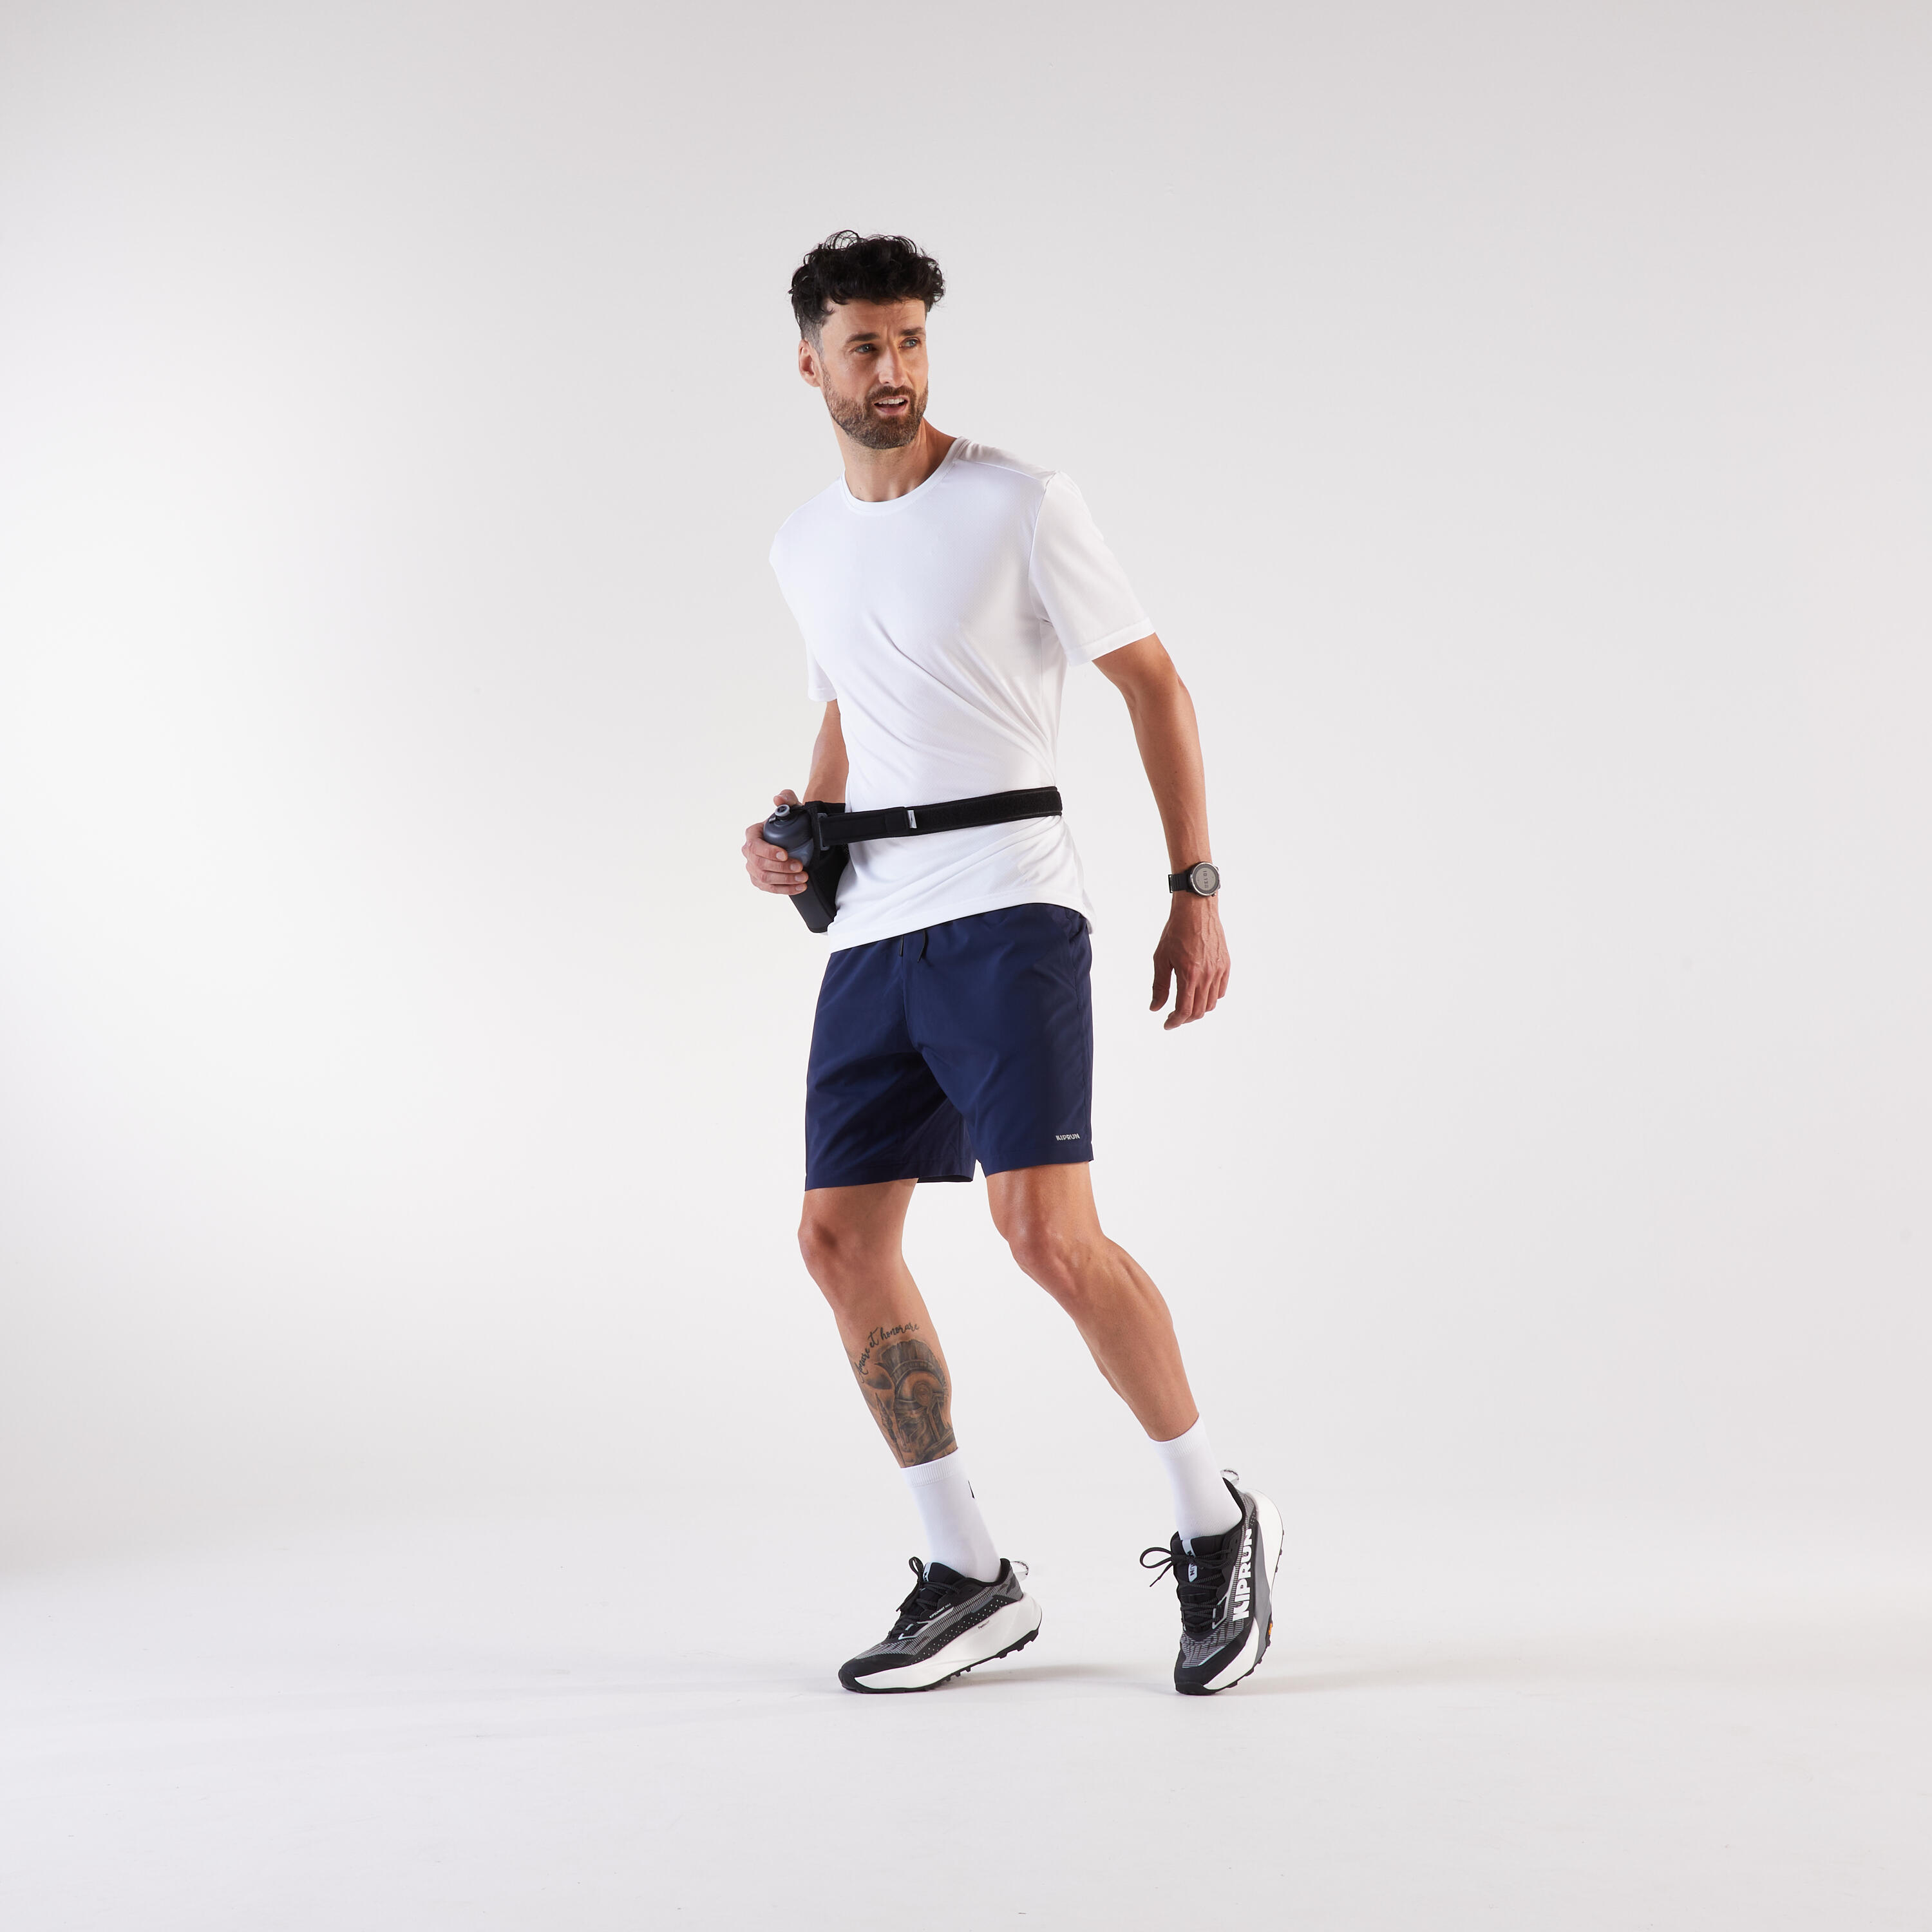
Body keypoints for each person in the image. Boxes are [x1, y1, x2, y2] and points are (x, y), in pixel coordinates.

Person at [743, 231, 1280, 1696]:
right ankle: (968, 1572)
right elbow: (847, 716)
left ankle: (1215, 1521)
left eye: (912, 340)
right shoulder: (802, 545)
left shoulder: (1020, 502)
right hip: (875, 928)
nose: (895, 369)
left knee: (1046, 1233)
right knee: (838, 1243)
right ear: (811, 362)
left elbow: (1154, 684)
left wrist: (1195, 888)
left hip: (1006, 905)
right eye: (866, 345)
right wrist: (796, 836)